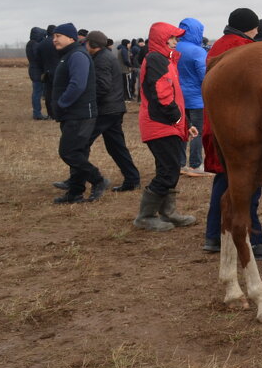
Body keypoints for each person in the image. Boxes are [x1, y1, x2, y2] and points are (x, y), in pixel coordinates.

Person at [200, 8, 262, 260]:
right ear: (252, 27)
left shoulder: (220, 45)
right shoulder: (243, 51)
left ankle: (214, 234)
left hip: (216, 121)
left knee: (225, 181)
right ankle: (253, 239)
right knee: (246, 182)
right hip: (239, 124)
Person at [133, 22, 198, 231]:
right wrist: (178, 119)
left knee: (168, 169)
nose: (176, 41)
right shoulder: (156, 60)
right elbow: (162, 96)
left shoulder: (166, 61)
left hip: (168, 124)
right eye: (172, 38)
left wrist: (185, 124)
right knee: (169, 170)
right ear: (163, 39)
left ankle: (168, 213)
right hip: (159, 125)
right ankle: (146, 216)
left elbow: (175, 98)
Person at [50, 23, 108, 204]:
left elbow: (77, 84)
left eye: (58, 35)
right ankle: (75, 192)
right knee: (78, 152)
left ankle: (98, 180)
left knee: (68, 152)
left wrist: (62, 103)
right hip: (72, 113)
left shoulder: (77, 56)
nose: (54, 39)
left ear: (71, 38)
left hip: (80, 113)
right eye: (53, 36)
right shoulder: (69, 55)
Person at [84, 31, 140, 193]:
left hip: (106, 110)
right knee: (116, 147)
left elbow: (102, 87)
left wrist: (86, 98)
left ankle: (79, 178)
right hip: (114, 108)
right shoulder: (106, 56)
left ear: (92, 45)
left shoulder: (101, 60)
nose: (85, 46)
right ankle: (132, 179)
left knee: (80, 144)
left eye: (87, 43)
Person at [175, 17, 213, 177]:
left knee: (182, 129)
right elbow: (204, 75)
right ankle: (196, 164)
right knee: (197, 130)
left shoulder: (174, 48)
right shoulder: (198, 51)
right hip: (196, 98)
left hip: (178, 97)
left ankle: (180, 163)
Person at [36, 25, 61, 119]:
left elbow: (38, 59)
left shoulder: (41, 44)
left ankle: (50, 114)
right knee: (59, 92)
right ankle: (59, 112)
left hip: (47, 71)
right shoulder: (58, 42)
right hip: (58, 70)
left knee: (48, 93)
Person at [26, 27, 48, 119]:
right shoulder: (35, 44)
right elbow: (38, 57)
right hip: (37, 71)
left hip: (33, 69)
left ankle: (37, 112)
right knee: (37, 92)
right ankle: (37, 113)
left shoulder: (30, 43)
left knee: (37, 92)